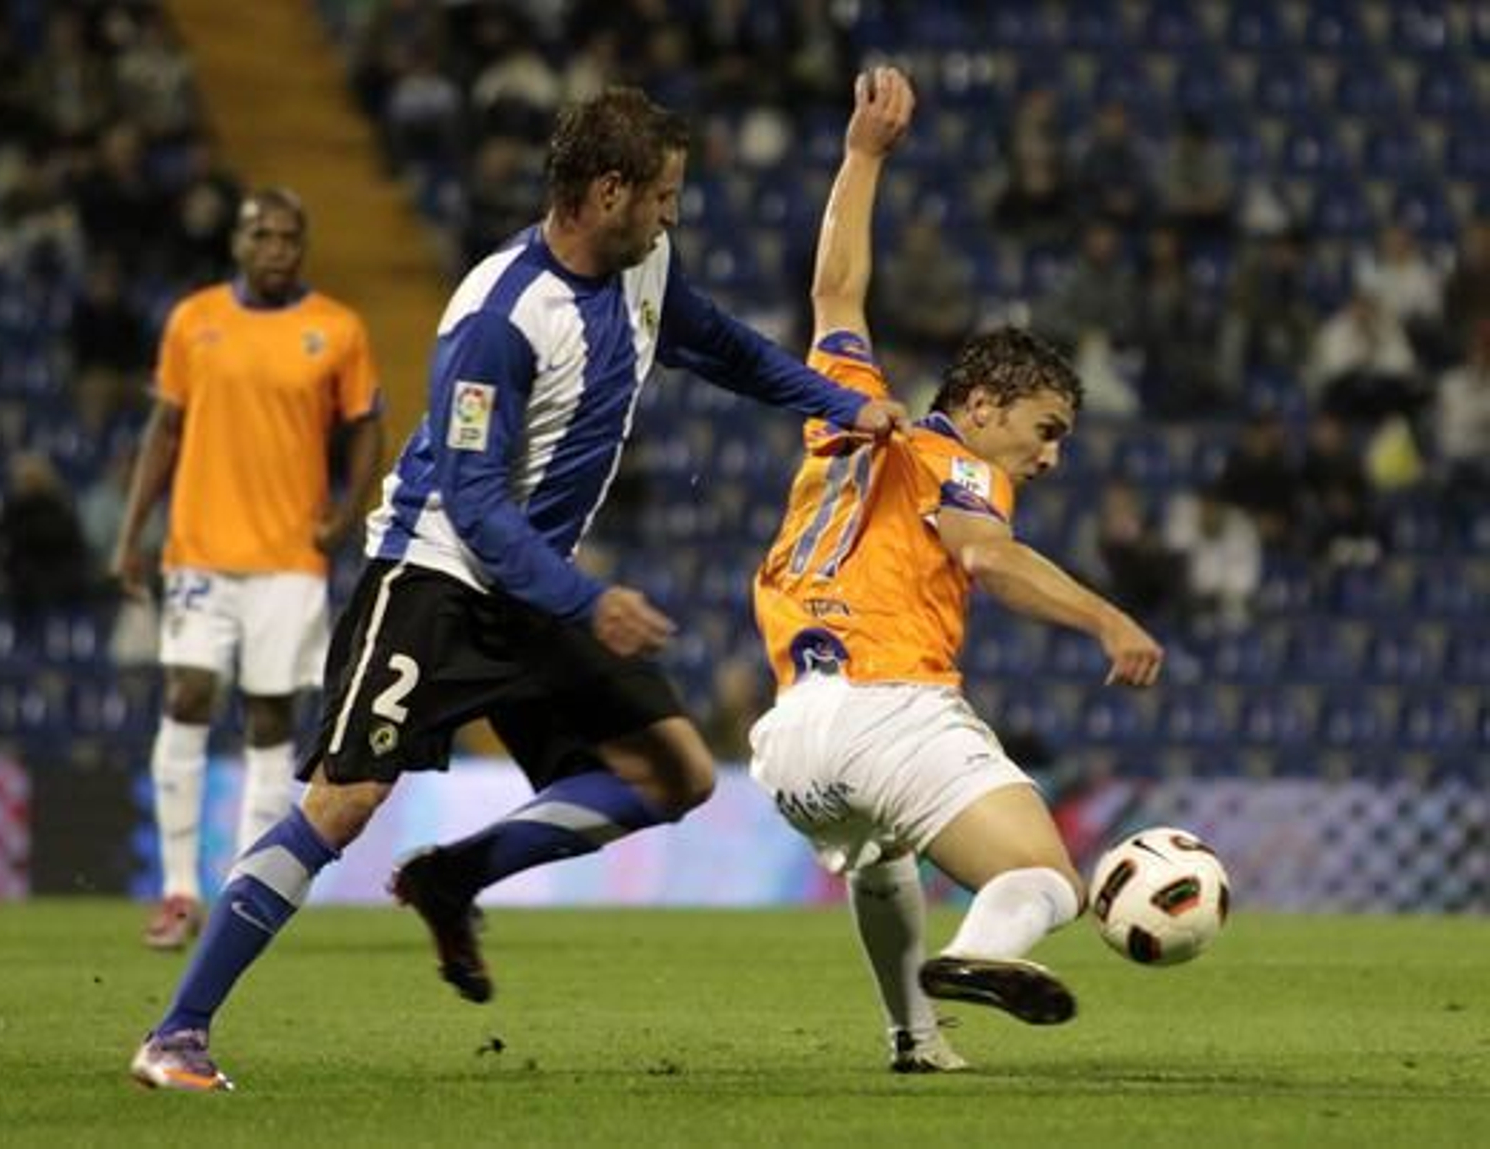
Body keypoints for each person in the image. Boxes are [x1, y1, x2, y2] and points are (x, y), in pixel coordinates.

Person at [129, 85, 906, 1091]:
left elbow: (723, 347)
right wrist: (588, 601)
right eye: (662, 195)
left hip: (532, 585)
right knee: (343, 802)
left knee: (673, 774)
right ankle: (177, 1033)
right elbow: (473, 503)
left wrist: (841, 404)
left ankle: (455, 876)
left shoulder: (645, 265)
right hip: (436, 578)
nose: (673, 214)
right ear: (608, 191)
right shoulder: (499, 318)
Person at [746, 68, 1164, 1075]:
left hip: (792, 741)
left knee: (880, 854)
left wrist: (861, 156)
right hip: (889, 703)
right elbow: (985, 554)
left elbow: (835, 290)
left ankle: (913, 1037)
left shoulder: (847, 407)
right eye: (1045, 429)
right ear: (981, 404)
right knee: (1045, 880)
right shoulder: (958, 462)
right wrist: (1108, 619)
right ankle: (982, 954)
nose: (1049, 456)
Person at [111, 188, 384, 952]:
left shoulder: (336, 328)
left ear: (304, 246)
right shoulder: (193, 320)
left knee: (270, 717)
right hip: (198, 550)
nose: (275, 249)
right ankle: (177, 890)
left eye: (289, 237)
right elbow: (164, 429)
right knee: (188, 692)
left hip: (289, 557)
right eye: (262, 235)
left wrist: (345, 514)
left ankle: (243, 888)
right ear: (237, 242)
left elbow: (368, 425)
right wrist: (131, 532)